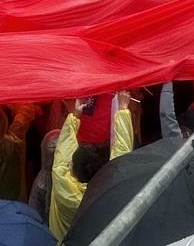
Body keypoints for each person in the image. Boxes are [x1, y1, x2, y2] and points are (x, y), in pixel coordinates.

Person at [50, 92, 135, 239]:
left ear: (71, 166)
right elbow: (122, 160)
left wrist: (74, 114)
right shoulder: (107, 192)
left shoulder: (61, 181)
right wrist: (123, 110)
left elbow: (63, 149)